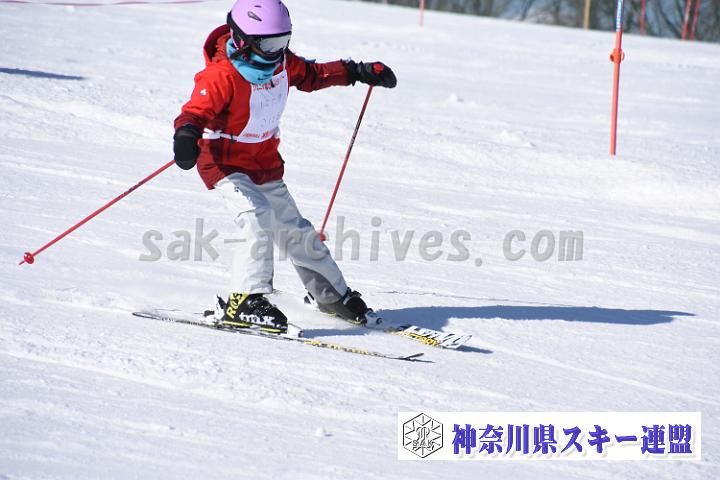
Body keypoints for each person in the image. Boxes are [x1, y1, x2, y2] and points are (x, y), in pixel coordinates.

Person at [173, 0, 397, 334]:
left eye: (282, 41)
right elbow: (194, 112)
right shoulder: (222, 74)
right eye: (268, 44)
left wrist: (355, 71)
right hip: (224, 162)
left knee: (295, 230)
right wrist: (186, 134)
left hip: (264, 162)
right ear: (242, 39)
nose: (277, 51)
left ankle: (331, 295)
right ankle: (244, 301)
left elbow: (313, 75)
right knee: (256, 217)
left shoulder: (281, 64)